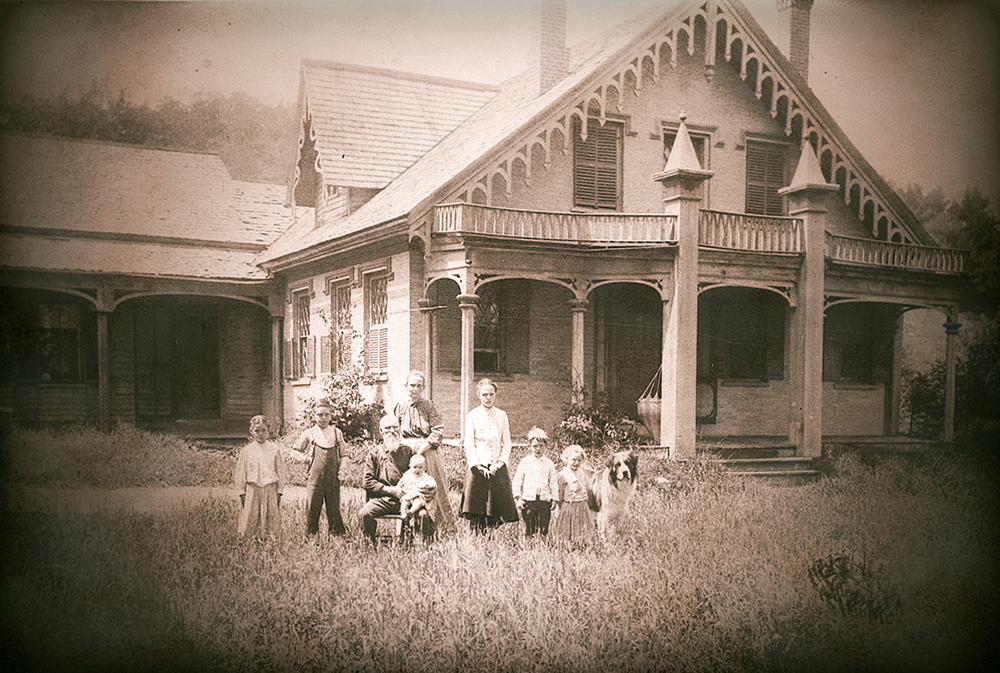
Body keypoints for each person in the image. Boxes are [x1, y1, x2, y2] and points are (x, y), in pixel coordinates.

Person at [393, 371, 456, 532]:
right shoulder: (400, 405)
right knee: (407, 485)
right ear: (406, 386)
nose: (415, 389)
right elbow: (395, 429)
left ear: (423, 388)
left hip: (426, 451)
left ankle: (440, 526)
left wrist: (420, 451)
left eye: (418, 386)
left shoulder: (429, 406)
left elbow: (437, 431)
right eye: (412, 385)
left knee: (433, 486)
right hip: (405, 450)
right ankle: (406, 524)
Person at [359, 415, 436, 545]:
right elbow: (367, 481)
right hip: (383, 500)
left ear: (399, 429)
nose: (392, 431)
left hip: (409, 500)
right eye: (388, 428)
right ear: (381, 431)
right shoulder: (374, 454)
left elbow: (422, 474)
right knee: (364, 513)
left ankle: (423, 548)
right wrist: (390, 490)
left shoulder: (408, 451)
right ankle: (368, 545)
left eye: (395, 428)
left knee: (424, 515)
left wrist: (429, 488)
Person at [460, 378, 519, 532]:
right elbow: (469, 443)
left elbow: (507, 443)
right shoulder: (472, 415)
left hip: (495, 468)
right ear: (478, 395)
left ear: (495, 395)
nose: (488, 398)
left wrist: (499, 464)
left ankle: (491, 540)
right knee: (477, 508)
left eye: (491, 394)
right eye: (484, 394)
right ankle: (476, 539)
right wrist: (478, 465)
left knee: (494, 508)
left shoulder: (502, 415)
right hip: (478, 468)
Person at [290, 400, 347, 539]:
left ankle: (336, 539)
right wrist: (307, 459)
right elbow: (294, 451)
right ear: (314, 415)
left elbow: (345, 454)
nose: (323, 418)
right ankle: (312, 539)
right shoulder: (310, 433)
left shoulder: (336, 433)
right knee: (313, 509)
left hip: (333, 479)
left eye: (326, 414)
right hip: (314, 480)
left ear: (331, 415)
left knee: (333, 510)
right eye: (319, 414)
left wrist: (342, 472)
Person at [234, 415, 287, 539]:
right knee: (250, 517)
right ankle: (249, 541)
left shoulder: (274, 449)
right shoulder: (247, 451)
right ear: (251, 431)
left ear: (269, 431)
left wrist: (279, 491)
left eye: (264, 430)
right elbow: (241, 472)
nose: (260, 434)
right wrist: (242, 492)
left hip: (270, 488)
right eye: (257, 431)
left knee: (271, 517)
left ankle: (270, 541)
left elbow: (280, 471)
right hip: (253, 488)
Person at [512, 427, 559, 537]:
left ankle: (542, 547)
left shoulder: (549, 463)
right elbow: (517, 481)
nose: (538, 449)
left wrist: (555, 499)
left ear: (546, 446)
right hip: (529, 500)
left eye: (541, 446)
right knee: (529, 526)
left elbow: (553, 482)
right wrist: (518, 498)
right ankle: (529, 548)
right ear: (530, 447)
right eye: (535, 446)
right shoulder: (525, 462)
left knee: (544, 526)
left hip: (544, 500)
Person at [550, 444, 597, 545]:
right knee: (567, 532)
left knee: (583, 532)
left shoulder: (583, 473)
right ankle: (567, 549)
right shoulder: (563, 475)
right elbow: (560, 494)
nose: (576, 463)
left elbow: (587, 489)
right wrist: (561, 508)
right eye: (573, 460)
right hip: (569, 507)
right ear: (567, 459)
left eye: (579, 460)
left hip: (582, 506)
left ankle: (582, 548)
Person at [397, 454, 437, 528]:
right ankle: (404, 515)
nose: (417, 470)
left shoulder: (425, 477)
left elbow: (433, 485)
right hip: (408, 496)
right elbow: (400, 483)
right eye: (415, 467)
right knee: (404, 502)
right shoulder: (407, 475)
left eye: (420, 467)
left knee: (418, 502)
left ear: (425, 468)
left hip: (418, 495)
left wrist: (429, 486)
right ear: (410, 466)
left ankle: (411, 511)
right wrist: (399, 487)